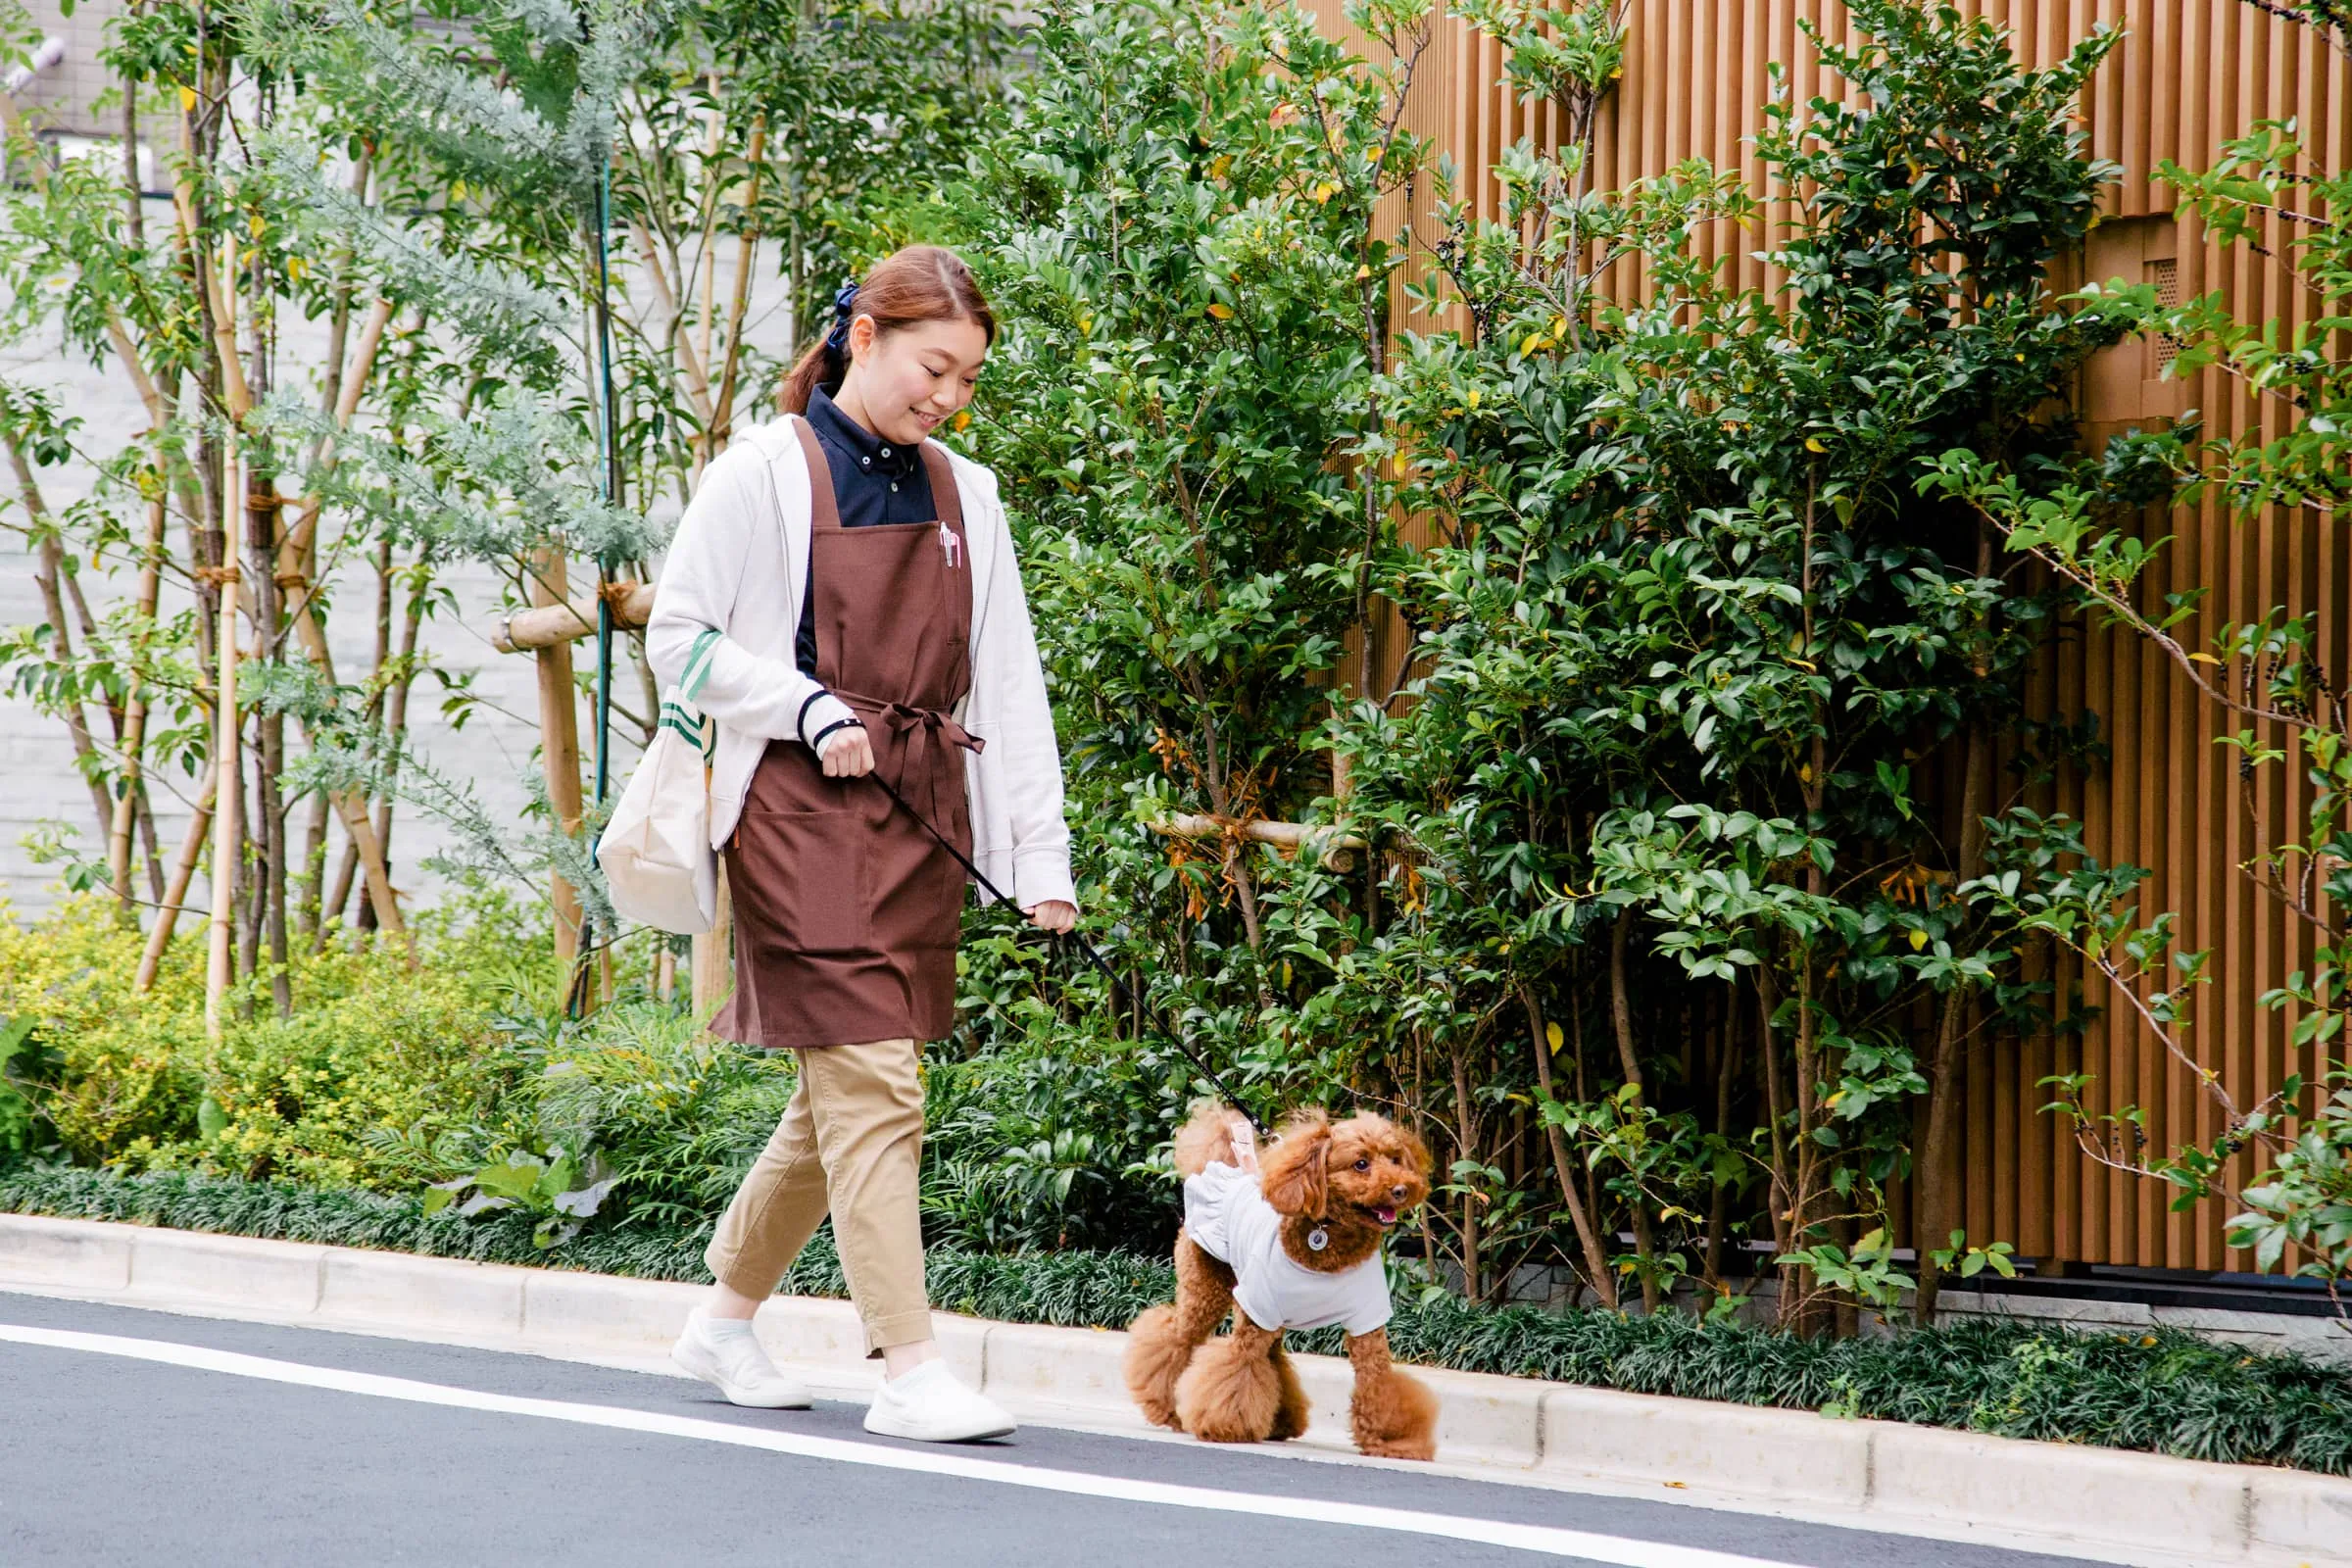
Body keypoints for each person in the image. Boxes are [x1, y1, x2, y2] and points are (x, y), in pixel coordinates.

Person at [646, 244, 1076, 1443]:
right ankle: (906, 1364)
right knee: (877, 1079)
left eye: (967, 378)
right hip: (792, 812)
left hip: (914, 816)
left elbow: (1007, 686)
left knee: (841, 1091)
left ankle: (721, 1321)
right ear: (864, 335)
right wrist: (806, 705)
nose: (947, 395)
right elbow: (674, 639)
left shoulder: (967, 495)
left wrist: (1039, 864)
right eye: (933, 366)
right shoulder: (760, 474)